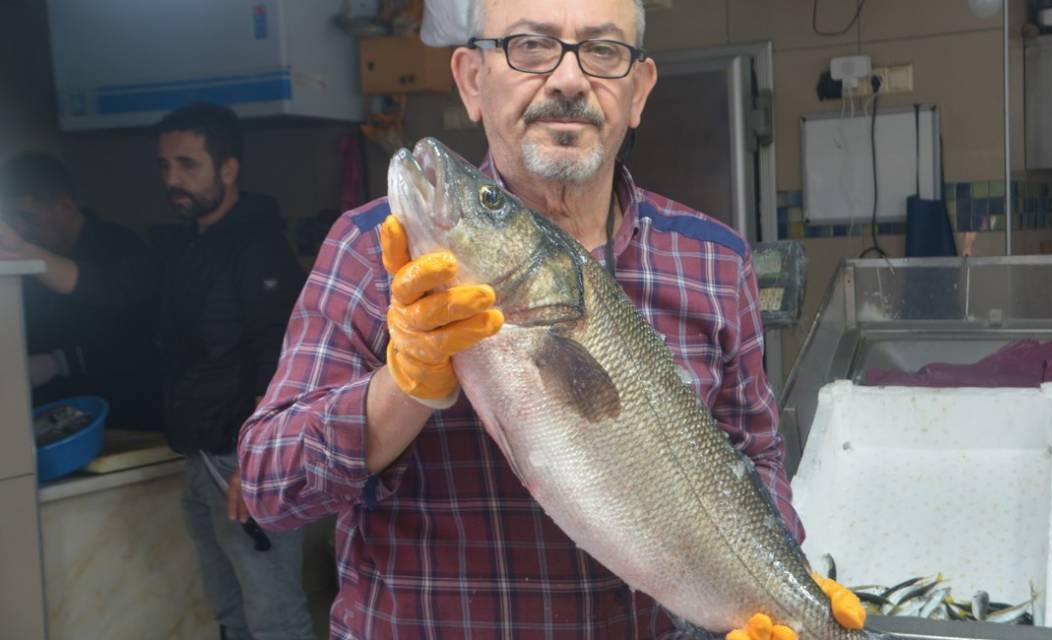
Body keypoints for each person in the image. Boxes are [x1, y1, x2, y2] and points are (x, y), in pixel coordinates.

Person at [239, 1, 842, 637]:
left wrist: (787, 592)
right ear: (472, 79)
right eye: (531, 46)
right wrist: (402, 388)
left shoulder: (715, 260)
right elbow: (268, 487)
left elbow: (756, 454)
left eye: (604, 51)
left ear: (638, 93)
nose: (568, 80)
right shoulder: (369, 248)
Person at [153, 103, 312, 640]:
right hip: (201, 458)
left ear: (228, 169)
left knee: (274, 615)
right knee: (229, 611)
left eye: (187, 164)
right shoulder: (188, 246)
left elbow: (282, 362)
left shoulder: (262, 251)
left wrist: (254, 462)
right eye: (165, 166)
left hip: (243, 463)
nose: (172, 179)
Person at [0, 152, 158, 427]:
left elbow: (136, 345)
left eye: (29, 216)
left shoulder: (120, 249)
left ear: (65, 206)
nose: (22, 228)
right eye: (14, 219)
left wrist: (56, 363)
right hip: (46, 423)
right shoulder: (23, 267)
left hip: (125, 420)